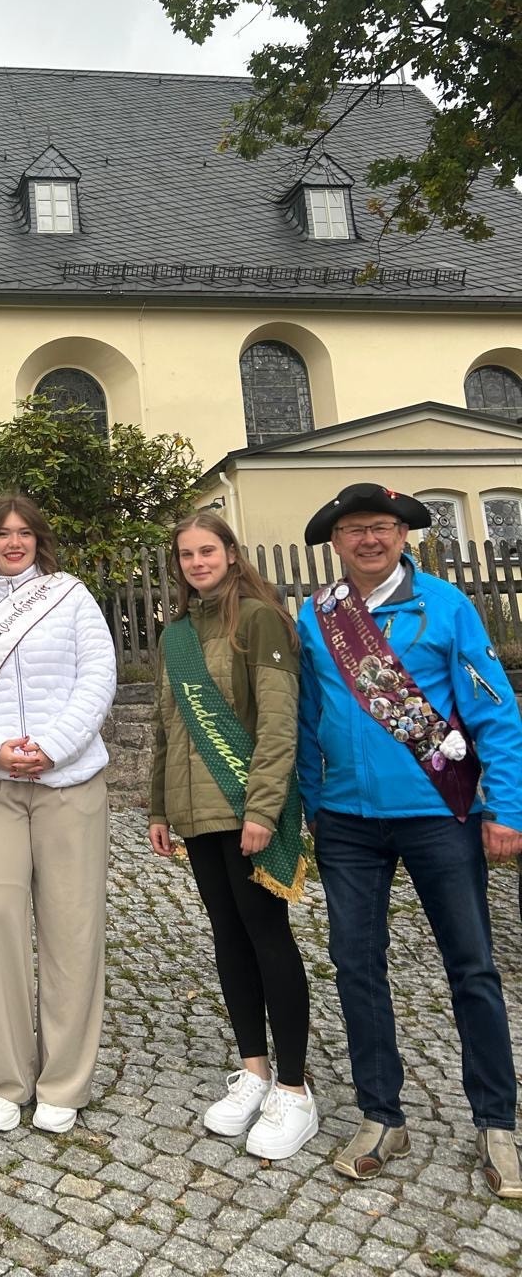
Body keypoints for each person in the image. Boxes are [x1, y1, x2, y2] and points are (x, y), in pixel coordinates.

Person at [298, 482, 522, 1196]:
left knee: (472, 966)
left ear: (404, 535)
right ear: (336, 541)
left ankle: (497, 1122)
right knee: (356, 965)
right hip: (345, 820)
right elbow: (306, 714)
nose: (370, 539)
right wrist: (312, 801)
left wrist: (506, 807)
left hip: (438, 814)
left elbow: (495, 713)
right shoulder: (317, 616)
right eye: (355, 529)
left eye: (383, 527)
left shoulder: (447, 607)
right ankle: (380, 1115)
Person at [0, 494, 116, 1134]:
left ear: (39, 539)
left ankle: (64, 1082)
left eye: (24, 533)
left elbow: (98, 677)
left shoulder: (72, 598)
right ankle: (8, 1079)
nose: (14, 543)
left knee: (72, 929)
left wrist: (53, 747)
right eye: (2, 534)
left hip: (69, 782)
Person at [149, 510, 317, 1159]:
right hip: (196, 813)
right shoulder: (176, 635)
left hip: (247, 807)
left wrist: (263, 810)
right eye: (186, 554)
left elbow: (278, 723)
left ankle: (295, 1088)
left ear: (229, 552)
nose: (197, 562)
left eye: (207, 551)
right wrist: (159, 809)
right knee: (228, 938)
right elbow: (166, 728)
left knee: (268, 938)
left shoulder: (259, 619)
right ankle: (254, 1071)